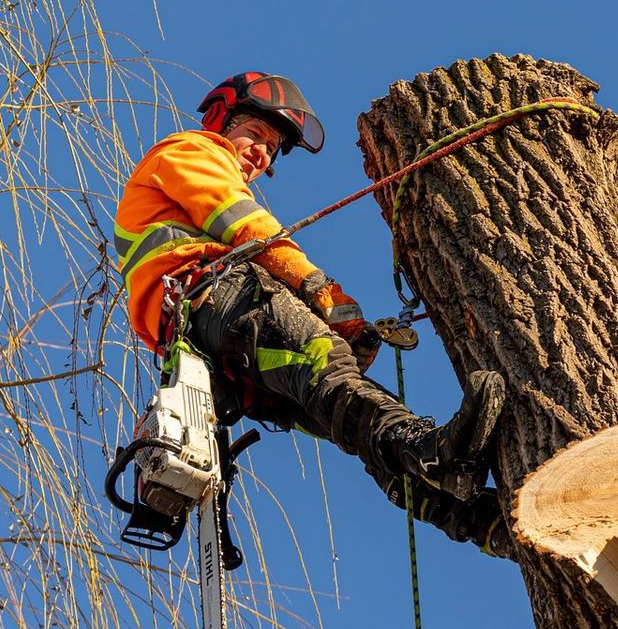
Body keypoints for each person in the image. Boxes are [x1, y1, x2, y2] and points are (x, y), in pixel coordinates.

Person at [113, 71, 509, 555]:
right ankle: (436, 457)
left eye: (272, 147)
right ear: (222, 119)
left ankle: (470, 516)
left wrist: (341, 327)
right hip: (213, 296)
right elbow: (244, 226)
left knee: (341, 409)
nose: (261, 152)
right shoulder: (190, 152)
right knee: (327, 362)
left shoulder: (193, 178)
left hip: (219, 352)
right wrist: (319, 289)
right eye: (255, 134)